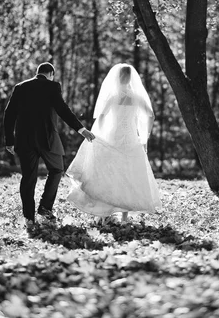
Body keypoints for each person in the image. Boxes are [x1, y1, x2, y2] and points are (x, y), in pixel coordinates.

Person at [4, 62, 95, 230]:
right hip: (47, 139)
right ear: (51, 73)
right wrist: (81, 130)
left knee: (28, 178)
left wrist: (9, 140)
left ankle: (29, 218)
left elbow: (9, 114)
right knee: (57, 170)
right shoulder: (53, 86)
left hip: (24, 140)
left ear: (38, 72)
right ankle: (45, 208)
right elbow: (63, 109)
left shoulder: (20, 87)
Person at [66, 63, 162, 223]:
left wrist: (100, 134)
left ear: (117, 78)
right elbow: (150, 115)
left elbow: (102, 117)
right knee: (128, 176)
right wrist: (146, 135)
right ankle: (124, 218)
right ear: (131, 78)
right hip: (131, 139)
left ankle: (104, 216)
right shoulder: (137, 97)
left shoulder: (113, 96)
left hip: (113, 137)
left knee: (108, 175)